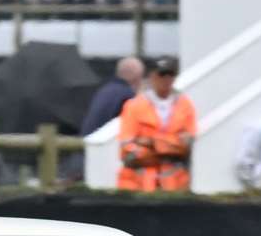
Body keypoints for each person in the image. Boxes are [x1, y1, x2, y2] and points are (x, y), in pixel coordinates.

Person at [116, 57, 195, 192]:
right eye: (162, 74)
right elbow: (126, 148)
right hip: (138, 184)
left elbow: (187, 144)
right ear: (152, 76)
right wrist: (169, 147)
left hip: (175, 184)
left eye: (170, 75)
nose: (166, 79)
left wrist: (151, 143)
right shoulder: (133, 106)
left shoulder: (185, 105)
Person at [81, 56, 143, 136]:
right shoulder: (127, 95)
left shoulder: (106, 89)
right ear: (135, 77)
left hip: (88, 141)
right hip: (103, 144)